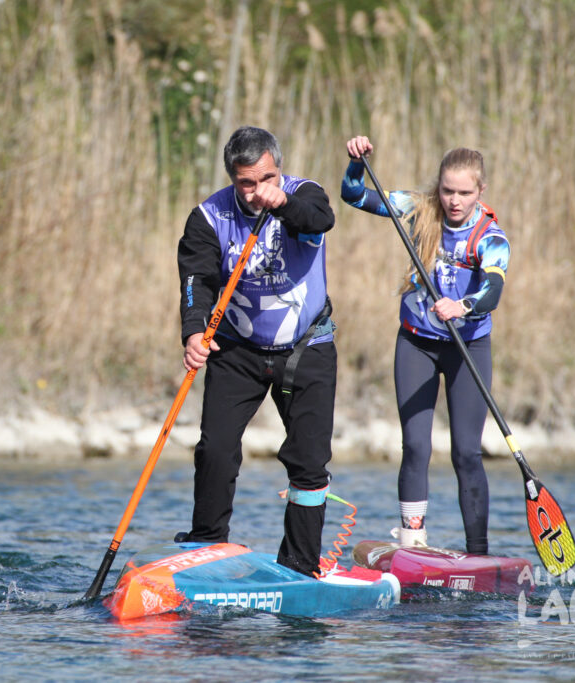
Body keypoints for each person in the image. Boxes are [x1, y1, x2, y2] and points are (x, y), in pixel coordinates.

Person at [175, 126, 338, 577]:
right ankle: (208, 544)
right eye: (246, 183)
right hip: (238, 349)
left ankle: (301, 565)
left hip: (306, 349)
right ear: (233, 178)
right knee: (215, 448)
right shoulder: (208, 217)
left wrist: (281, 203)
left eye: (265, 179)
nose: (255, 191)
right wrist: (193, 333)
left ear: (277, 170)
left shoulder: (303, 195)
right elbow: (196, 281)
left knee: (308, 462)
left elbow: (319, 220)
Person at [340, 135, 510, 555]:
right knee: (415, 445)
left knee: (466, 453)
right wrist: (356, 163)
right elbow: (353, 195)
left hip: (467, 346)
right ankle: (413, 542)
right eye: (447, 190)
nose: (454, 201)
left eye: (464, 193)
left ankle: (478, 553)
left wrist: (464, 305)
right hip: (415, 343)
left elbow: (493, 289)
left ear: (480, 191)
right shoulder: (418, 210)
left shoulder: (491, 237)